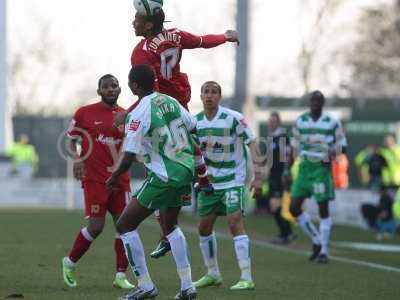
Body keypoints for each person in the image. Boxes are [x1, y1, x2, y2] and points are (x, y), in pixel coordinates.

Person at [128, 7, 240, 259]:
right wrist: (226, 36)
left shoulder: (142, 51)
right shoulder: (176, 35)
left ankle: (166, 231)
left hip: (162, 109)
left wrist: (128, 113)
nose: (132, 22)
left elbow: (150, 93)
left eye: (137, 19)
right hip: (180, 102)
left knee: (155, 166)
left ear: (147, 25)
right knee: (189, 143)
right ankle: (202, 178)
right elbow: (202, 42)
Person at [106, 65, 197, 300]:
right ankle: (187, 286)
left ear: (134, 85)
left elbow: (128, 156)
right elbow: (192, 126)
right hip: (185, 170)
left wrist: (115, 176)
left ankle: (145, 286)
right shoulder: (171, 101)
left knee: (124, 225)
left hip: (164, 175)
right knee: (170, 227)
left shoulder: (139, 113)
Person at [61, 74, 134, 290]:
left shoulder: (127, 116)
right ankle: (69, 262)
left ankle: (120, 275)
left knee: (125, 227)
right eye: (106, 86)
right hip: (95, 180)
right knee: (96, 226)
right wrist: (77, 158)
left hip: (120, 180)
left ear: (120, 89)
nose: (110, 89)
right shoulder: (85, 113)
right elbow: (72, 139)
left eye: (114, 86)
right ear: (99, 91)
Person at [193, 81, 262, 291]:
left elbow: (253, 143)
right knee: (204, 228)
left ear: (220, 97)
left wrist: (258, 176)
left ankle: (246, 277)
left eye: (214, 92)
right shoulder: (194, 122)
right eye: (206, 92)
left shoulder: (233, 118)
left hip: (233, 181)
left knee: (234, 223)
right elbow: (189, 151)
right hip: (209, 184)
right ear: (201, 96)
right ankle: (213, 273)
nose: (209, 96)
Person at [289, 90, 347, 264]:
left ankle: (324, 251)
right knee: (293, 208)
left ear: (323, 103)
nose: (315, 103)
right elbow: (293, 147)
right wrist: (287, 169)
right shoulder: (301, 121)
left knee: (323, 209)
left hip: (321, 169)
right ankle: (316, 238)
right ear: (309, 102)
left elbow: (343, 147)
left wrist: (331, 154)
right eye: (313, 100)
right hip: (305, 168)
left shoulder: (332, 122)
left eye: (318, 100)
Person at [263, 112, 295, 244]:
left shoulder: (282, 137)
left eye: (274, 121)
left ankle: (286, 233)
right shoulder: (272, 138)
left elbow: (287, 156)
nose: (271, 123)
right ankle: (286, 233)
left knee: (276, 206)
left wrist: (286, 173)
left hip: (280, 175)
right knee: (276, 206)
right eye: (270, 121)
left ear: (278, 122)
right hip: (273, 174)